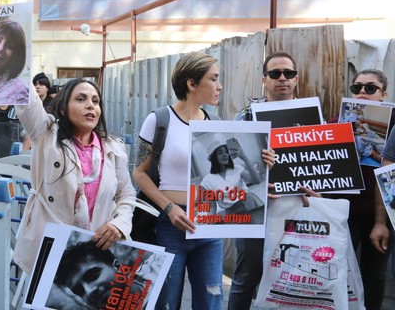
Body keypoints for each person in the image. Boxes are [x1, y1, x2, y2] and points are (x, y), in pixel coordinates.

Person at [132, 52, 269, 310]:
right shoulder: (159, 120)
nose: (219, 86)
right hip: (168, 224)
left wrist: (265, 160)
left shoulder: (216, 122)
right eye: (213, 79)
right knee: (166, 301)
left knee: (211, 299)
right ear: (192, 84)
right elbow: (139, 172)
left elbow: (240, 172)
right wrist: (169, 209)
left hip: (209, 224)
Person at [12, 78, 136, 276]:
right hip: (50, 247)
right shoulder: (46, 134)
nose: (90, 106)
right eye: (81, 99)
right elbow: (26, 101)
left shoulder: (113, 148)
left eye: (95, 101)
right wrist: (16, 63)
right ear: (62, 108)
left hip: (96, 253)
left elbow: (127, 194)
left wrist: (118, 225)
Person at [229, 51, 309, 309]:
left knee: (291, 278)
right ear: (264, 80)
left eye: (289, 73)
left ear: (296, 79)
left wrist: (315, 187)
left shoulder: (310, 116)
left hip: (297, 206)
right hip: (255, 208)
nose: (282, 78)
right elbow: (229, 166)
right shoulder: (245, 116)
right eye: (275, 73)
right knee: (246, 277)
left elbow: (319, 164)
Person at [330, 69, 390, 310]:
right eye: (357, 88)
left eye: (370, 88)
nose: (362, 92)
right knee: (339, 271)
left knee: (374, 274)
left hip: (381, 213)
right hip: (345, 211)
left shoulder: (392, 126)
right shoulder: (336, 122)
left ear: (383, 94)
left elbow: (385, 167)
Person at [49, 241, 154, 309]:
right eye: (79, 291)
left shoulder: (161, 277)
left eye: (92, 276)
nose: (89, 291)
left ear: (118, 266)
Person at [200, 137, 265, 224]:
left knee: (258, 230)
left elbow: (257, 180)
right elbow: (211, 207)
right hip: (232, 212)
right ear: (213, 158)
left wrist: (244, 157)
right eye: (220, 153)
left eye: (226, 151)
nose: (225, 154)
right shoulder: (207, 181)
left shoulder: (237, 169)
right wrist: (208, 224)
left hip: (250, 203)